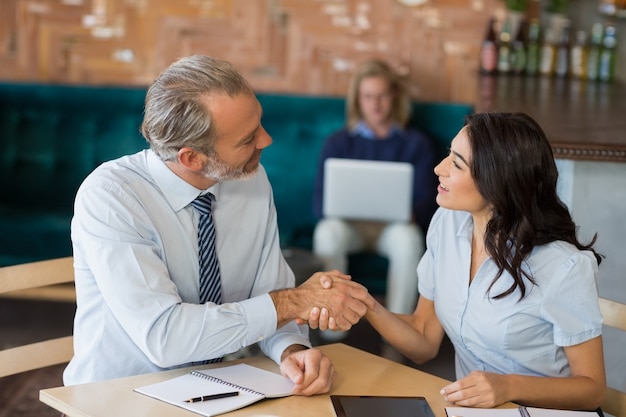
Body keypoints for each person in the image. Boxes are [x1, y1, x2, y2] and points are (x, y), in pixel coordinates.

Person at [63, 55, 375, 392]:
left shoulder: (250, 179)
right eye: (247, 138)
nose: (266, 140)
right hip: (119, 398)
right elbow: (166, 338)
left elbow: (270, 295)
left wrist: (292, 351)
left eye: (260, 123)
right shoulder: (112, 197)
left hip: (216, 390)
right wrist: (295, 301)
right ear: (191, 158)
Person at [311, 112, 607, 411]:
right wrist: (364, 304)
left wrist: (508, 386)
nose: (439, 168)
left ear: (496, 183)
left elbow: (592, 390)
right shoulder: (447, 223)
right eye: (448, 156)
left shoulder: (564, 267)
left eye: (456, 163)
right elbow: (424, 339)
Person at [312, 59, 438, 315]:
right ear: (358, 99)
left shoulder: (417, 144)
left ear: (394, 97)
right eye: (368, 96)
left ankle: (399, 331)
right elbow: (319, 203)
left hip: (394, 230)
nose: (375, 104)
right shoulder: (338, 143)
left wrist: (411, 214)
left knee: (409, 240)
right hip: (350, 229)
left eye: (382, 96)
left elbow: (428, 200)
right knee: (326, 232)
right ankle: (332, 327)